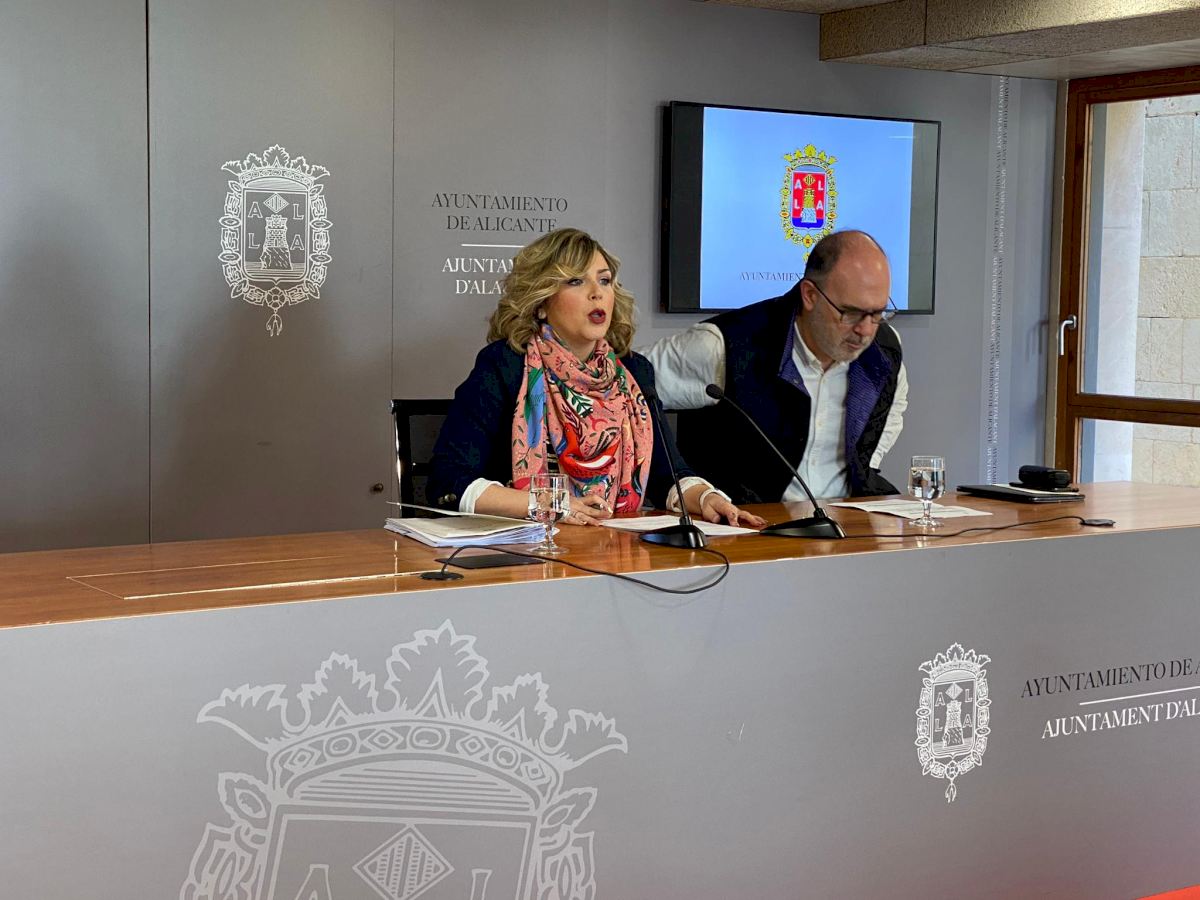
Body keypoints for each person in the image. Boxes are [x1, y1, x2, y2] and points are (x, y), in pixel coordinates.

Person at [427, 228, 763, 528]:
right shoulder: (505, 365)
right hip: (532, 551)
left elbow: (668, 475)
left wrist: (706, 497)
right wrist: (552, 503)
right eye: (576, 281)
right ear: (541, 303)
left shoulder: (634, 371)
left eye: (604, 280)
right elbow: (449, 480)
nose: (597, 293)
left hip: (616, 546)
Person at [642, 229, 908, 504]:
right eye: (850, 313)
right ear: (810, 295)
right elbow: (627, 381)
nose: (865, 330)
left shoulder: (884, 352)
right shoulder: (727, 345)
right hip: (747, 521)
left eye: (878, 313)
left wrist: (866, 464)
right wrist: (681, 482)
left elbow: (893, 407)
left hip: (847, 519)